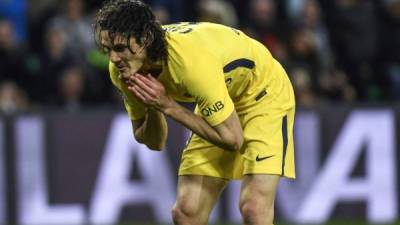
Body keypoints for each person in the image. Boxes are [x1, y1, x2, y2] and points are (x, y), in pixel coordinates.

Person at [94, 0, 296, 224]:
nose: (113, 59)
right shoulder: (124, 70)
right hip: (222, 93)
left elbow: (233, 139)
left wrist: (168, 105)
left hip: (262, 92)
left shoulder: (189, 63)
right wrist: (153, 104)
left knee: (253, 209)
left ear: (146, 39)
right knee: (186, 212)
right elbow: (155, 142)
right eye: (108, 49)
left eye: (120, 48)